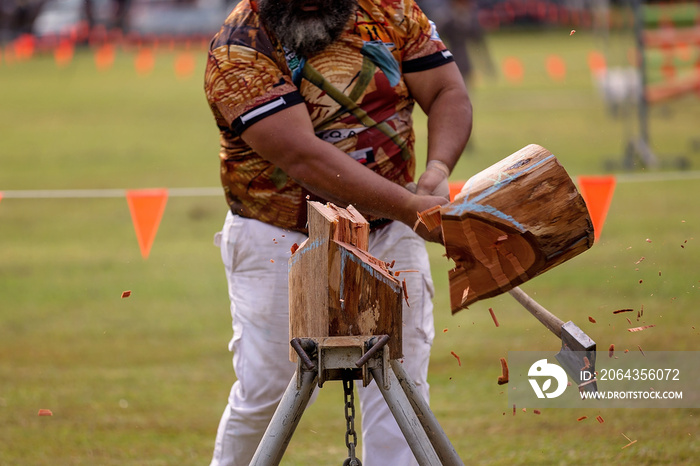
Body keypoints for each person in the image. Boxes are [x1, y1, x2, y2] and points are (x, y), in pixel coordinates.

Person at [203, 0, 472, 464]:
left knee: (401, 390)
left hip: (388, 229)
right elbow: (304, 159)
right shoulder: (238, 47)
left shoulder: (392, 10)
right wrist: (411, 206)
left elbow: (448, 90)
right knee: (265, 394)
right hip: (279, 236)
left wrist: (437, 170)